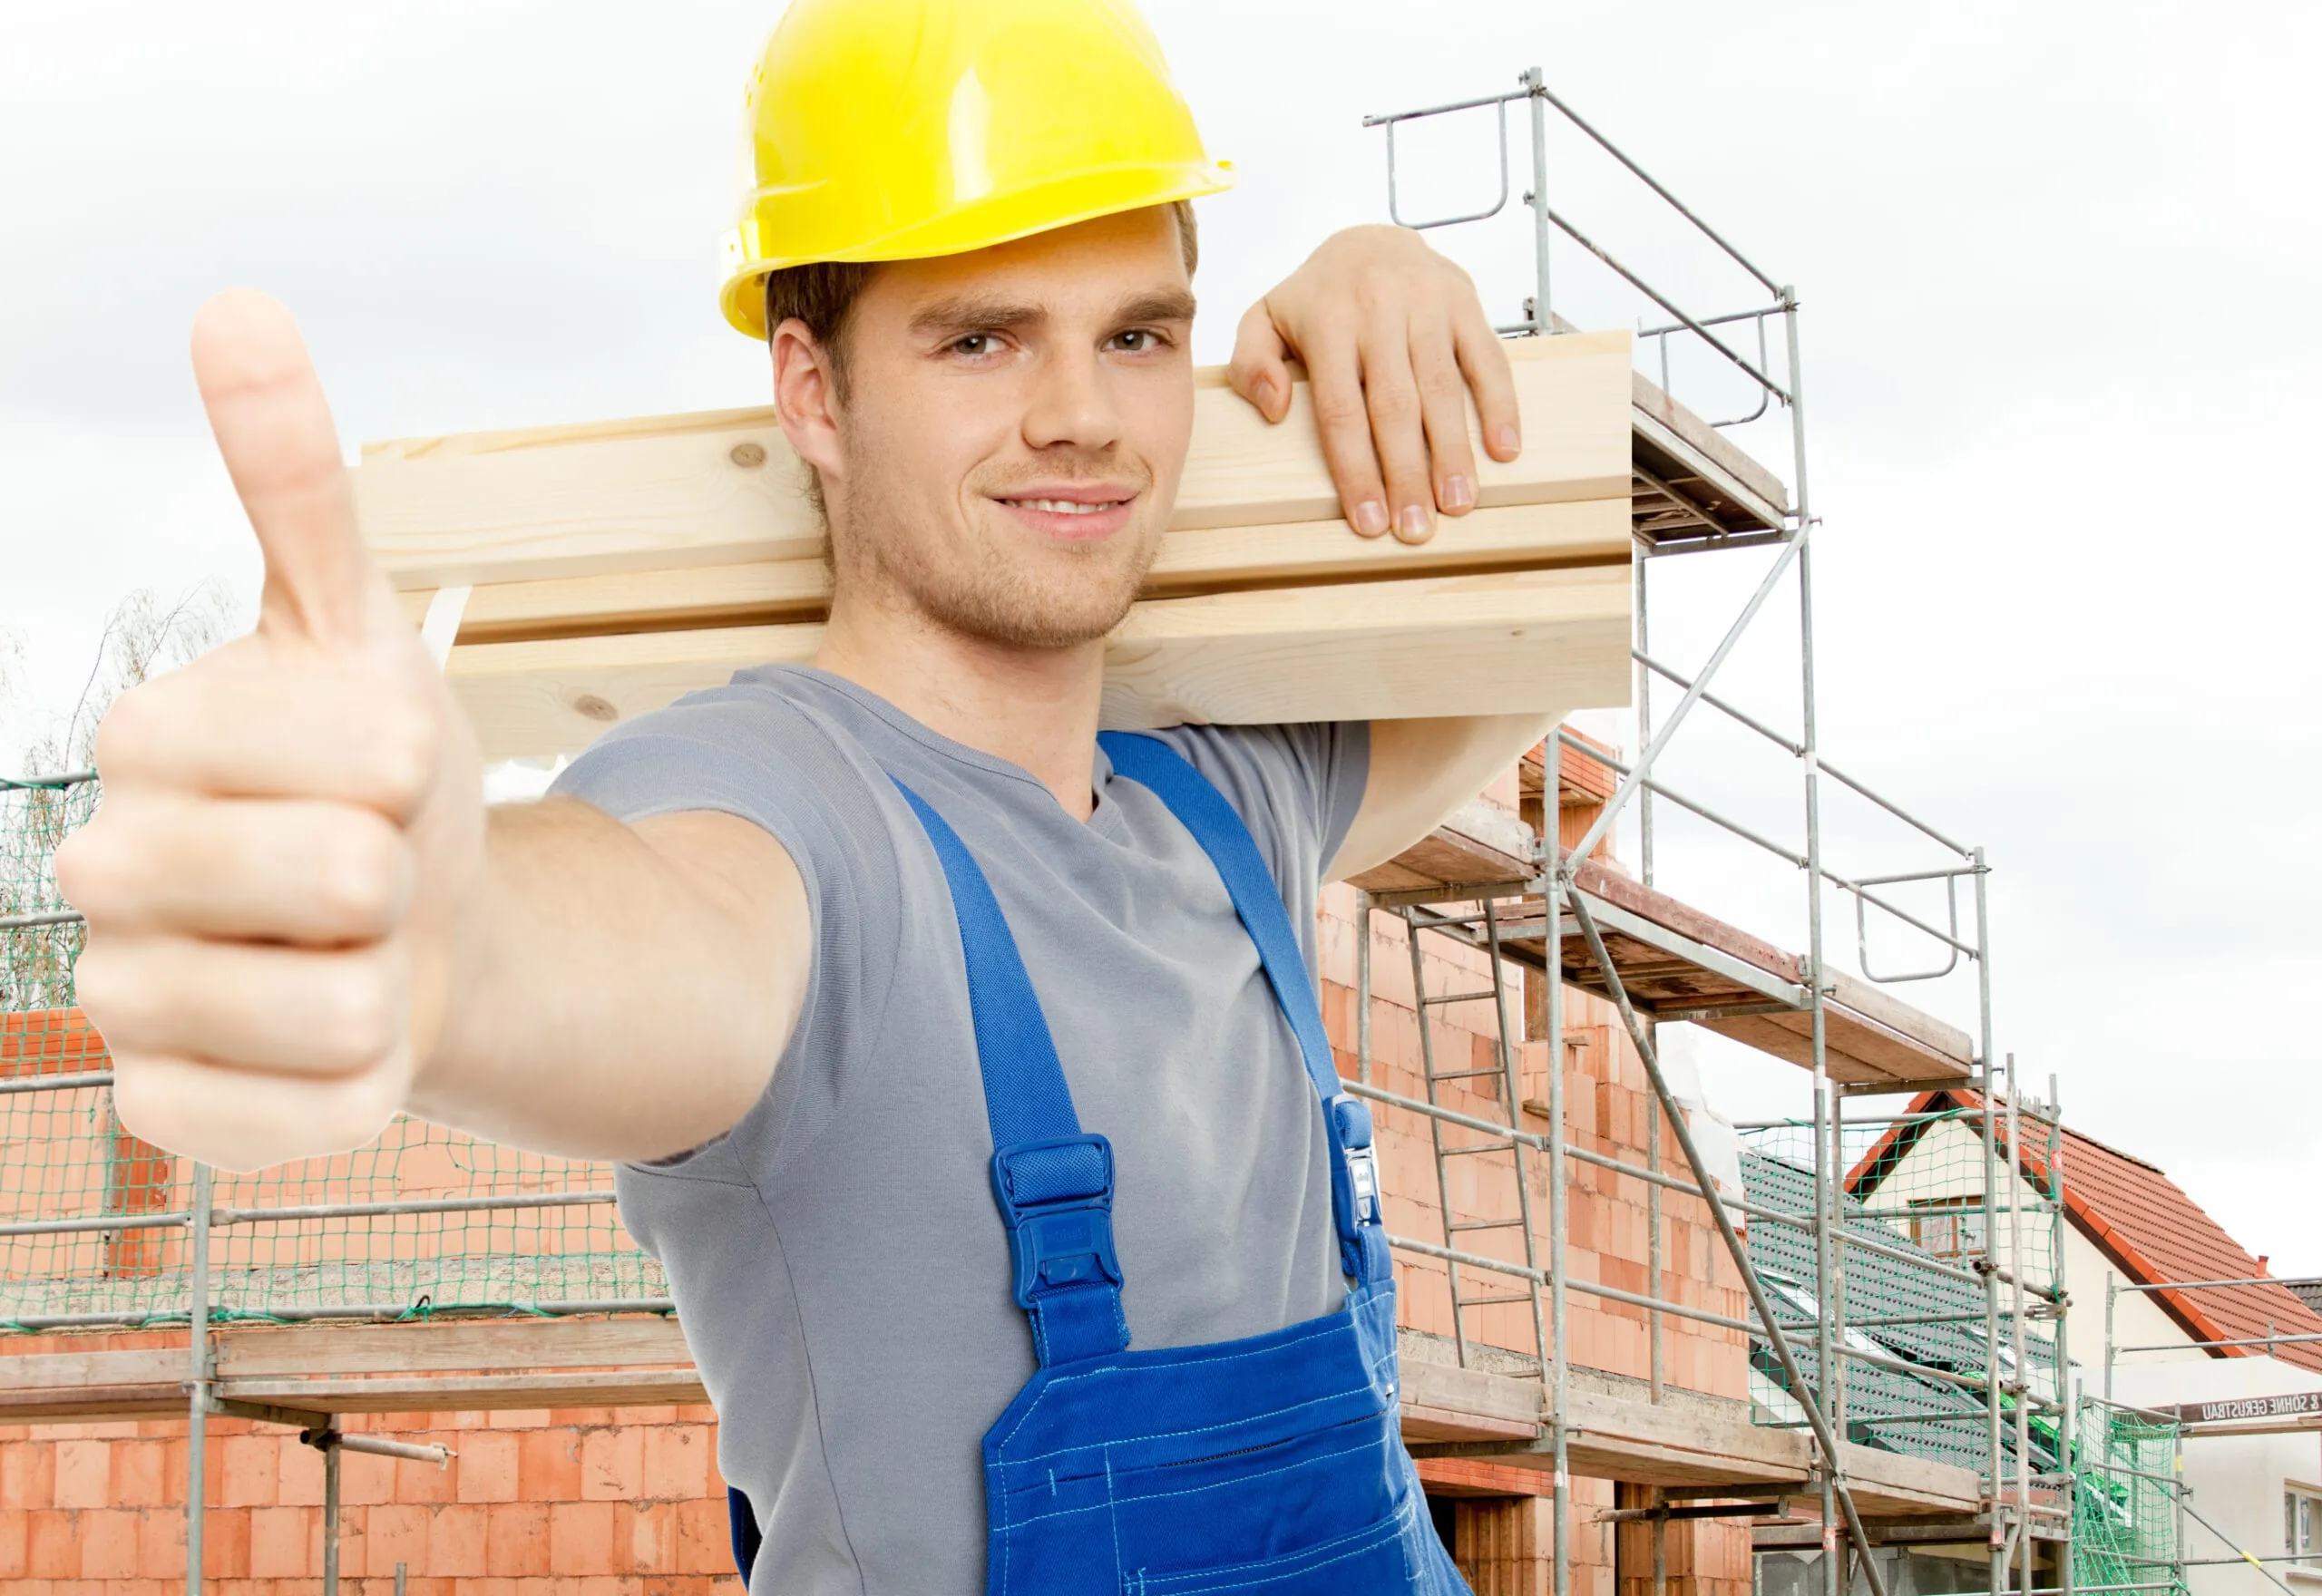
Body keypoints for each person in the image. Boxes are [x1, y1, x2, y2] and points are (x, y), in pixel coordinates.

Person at [59, 1, 1562, 1590]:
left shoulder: (1225, 803)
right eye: (980, 337)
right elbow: (634, 939)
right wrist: (428, 947)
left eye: (1135, 331)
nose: (1083, 412)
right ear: (816, 395)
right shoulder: (785, 809)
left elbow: (1537, 644)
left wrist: (1397, 292)